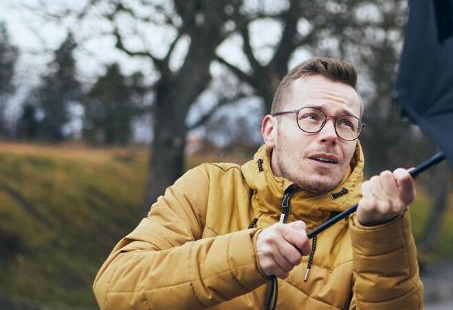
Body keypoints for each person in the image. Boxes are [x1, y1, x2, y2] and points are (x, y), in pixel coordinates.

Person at [93, 57, 424, 309]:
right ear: (271, 130)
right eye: (312, 117)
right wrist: (247, 256)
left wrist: (384, 237)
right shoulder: (209, 188)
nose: (329, 135)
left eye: (345, 124)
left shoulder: (371, 229)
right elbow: (116, 288)